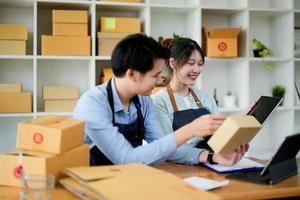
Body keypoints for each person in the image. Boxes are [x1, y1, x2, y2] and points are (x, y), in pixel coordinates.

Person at [74, 33, 226, 166]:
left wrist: (211, 157)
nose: (160, 80)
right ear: (132, 74)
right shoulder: (93, 104)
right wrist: (190, 130)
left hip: (129, 178)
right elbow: (125, 158)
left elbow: (164, 148)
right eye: (155, 75)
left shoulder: (144, 101)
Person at [152, 37, 248, 166]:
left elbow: (220, 136)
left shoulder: (206, 98)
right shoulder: (159, 102)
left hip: (213, 163)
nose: (196, 70)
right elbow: (167, 149)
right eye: (190, 63)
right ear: (173, 63)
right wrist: (210, 156)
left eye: (200, 63)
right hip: (180, 168)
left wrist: (241, 122)